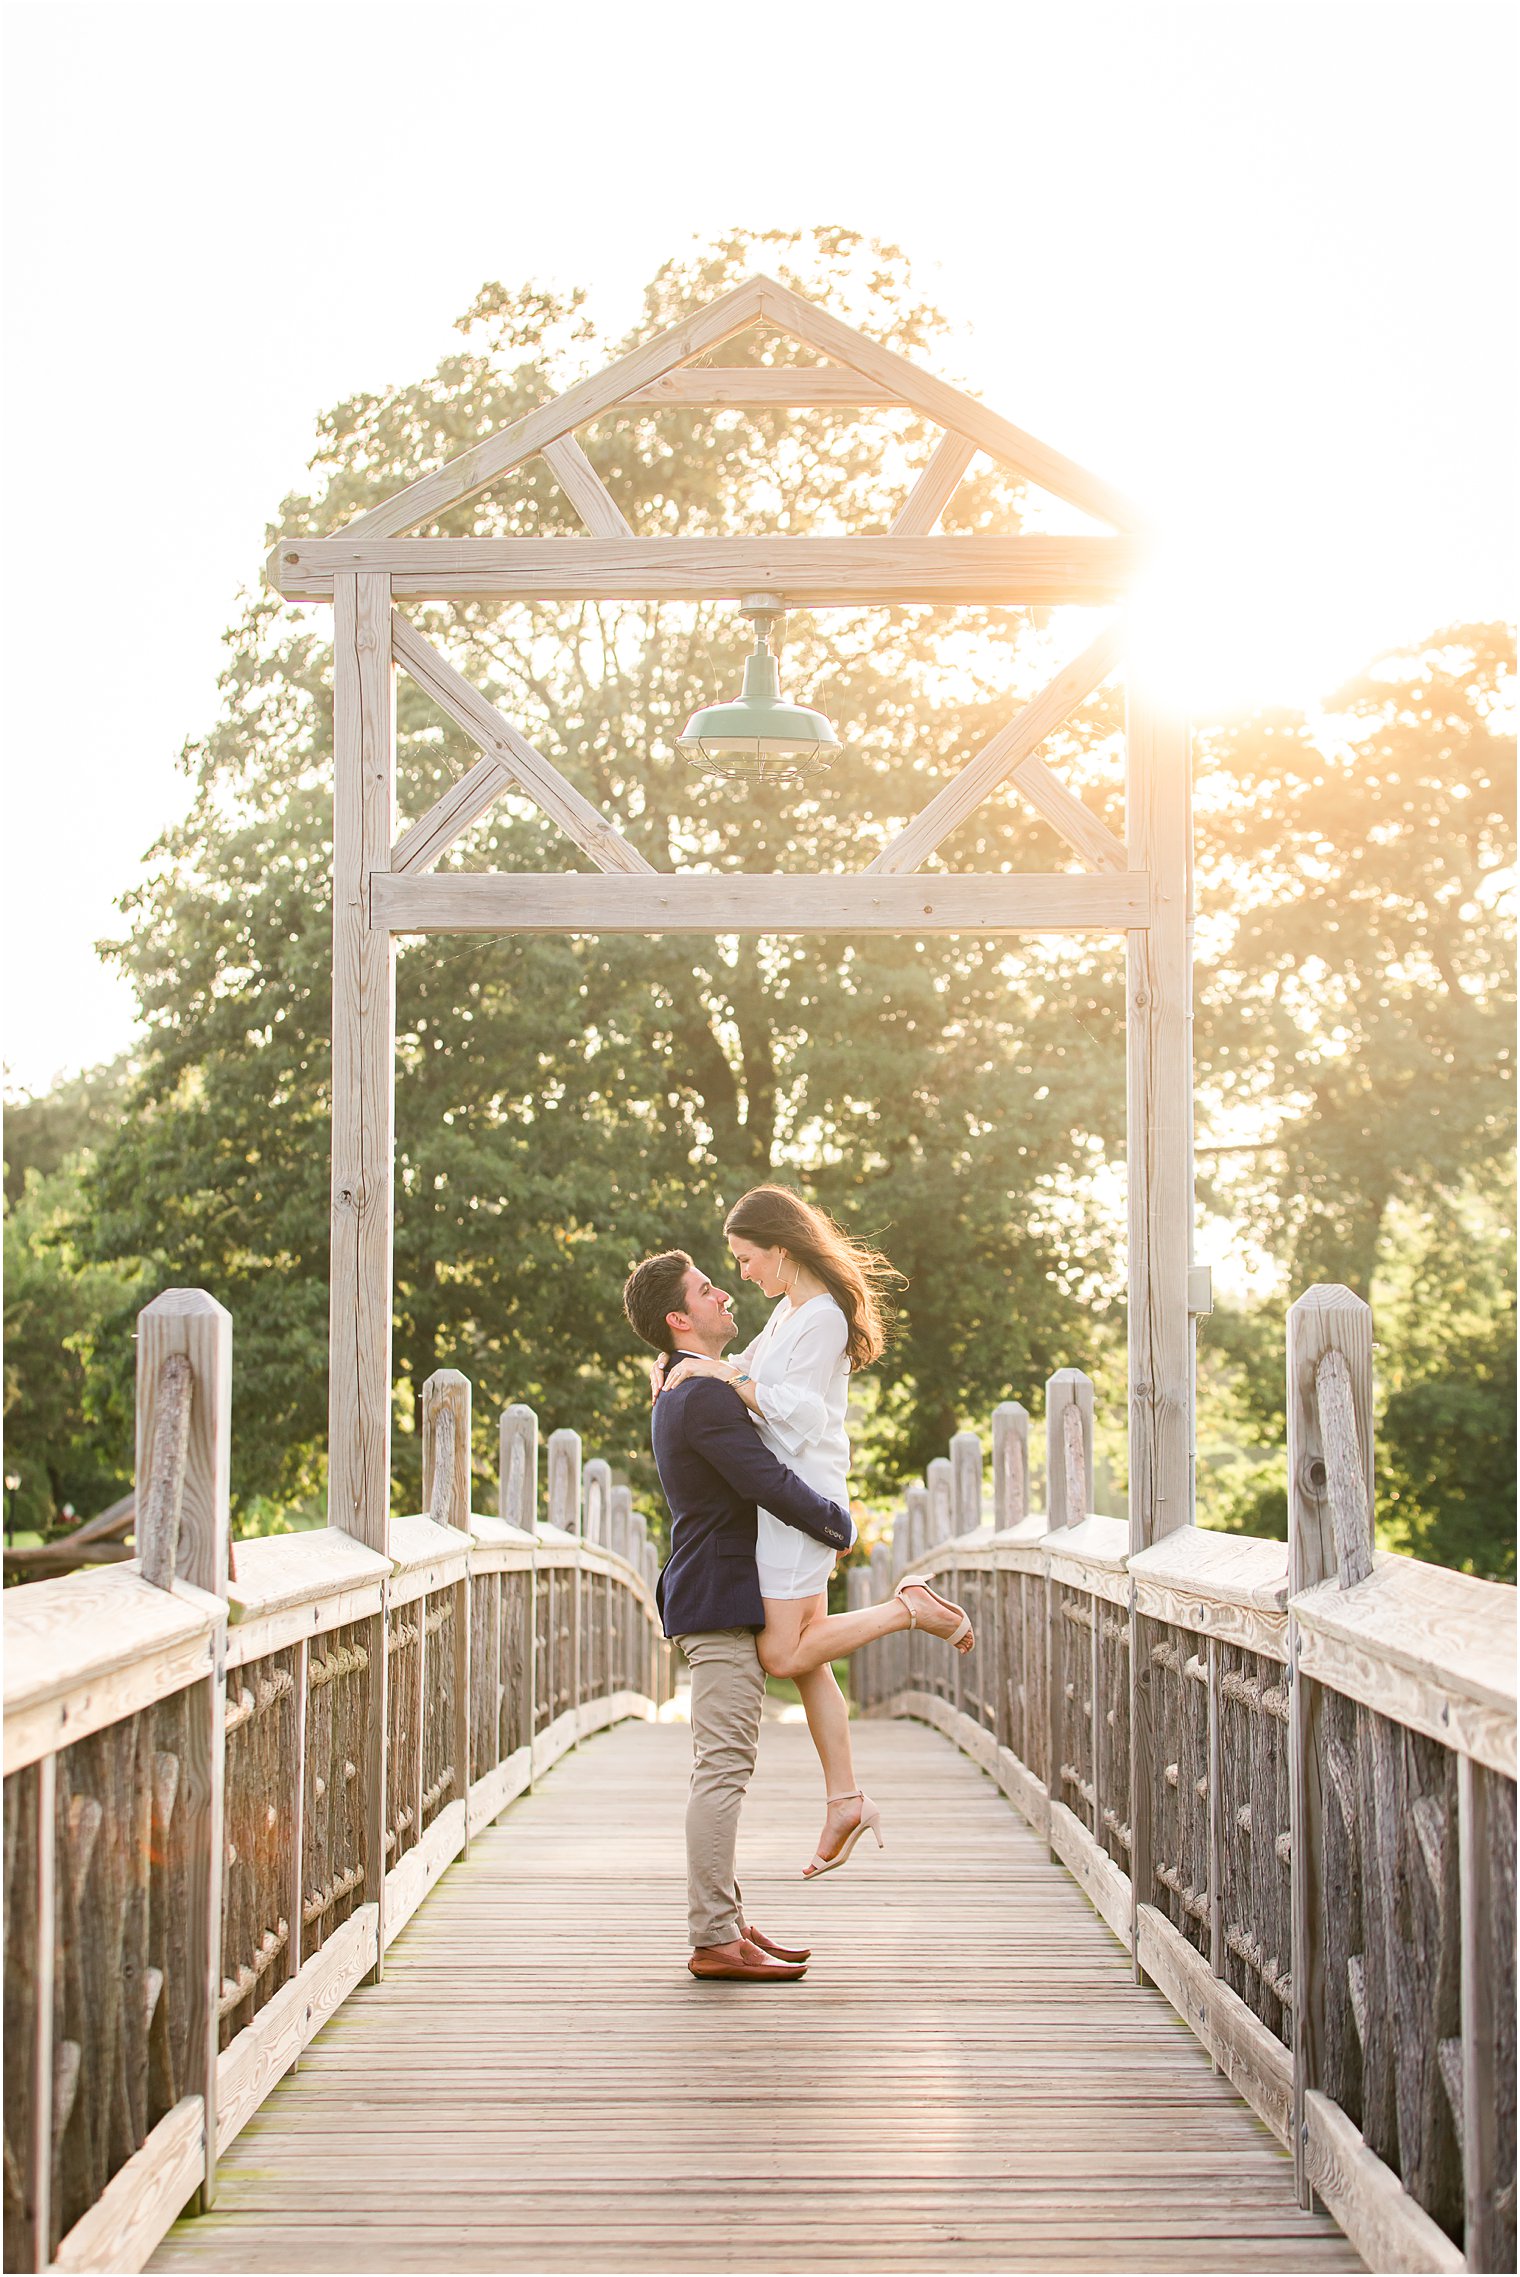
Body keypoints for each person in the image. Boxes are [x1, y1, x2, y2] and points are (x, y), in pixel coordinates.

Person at [623, 1242, 973, 1980]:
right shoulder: (701, 1395)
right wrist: (840, 1525)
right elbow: (767, 1480)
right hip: (717, 1602)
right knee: (721, 1771)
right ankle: (715, 1937)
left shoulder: (689, 1385)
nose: (725, 1294)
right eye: (708, 1288)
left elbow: (766, 1365)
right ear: (678, 1317)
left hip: (714, 1593)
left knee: (729, 1760)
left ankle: (727, 1919)